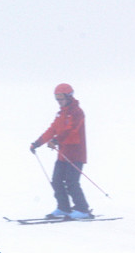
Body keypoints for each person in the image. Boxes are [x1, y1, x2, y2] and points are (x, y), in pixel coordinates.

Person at [30, 83, 92, 219]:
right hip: (63, 154)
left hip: (75, 154)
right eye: (56, 99)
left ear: (69, 97)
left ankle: (83, 209)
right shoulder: (61, 113)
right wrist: (37, 143)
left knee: (72, 182)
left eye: (61, 98)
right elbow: (52, 129)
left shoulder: (77, 112)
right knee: (56, 180)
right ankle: (64, 207)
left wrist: (57, 141)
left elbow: (71, 131)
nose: (59, 102)